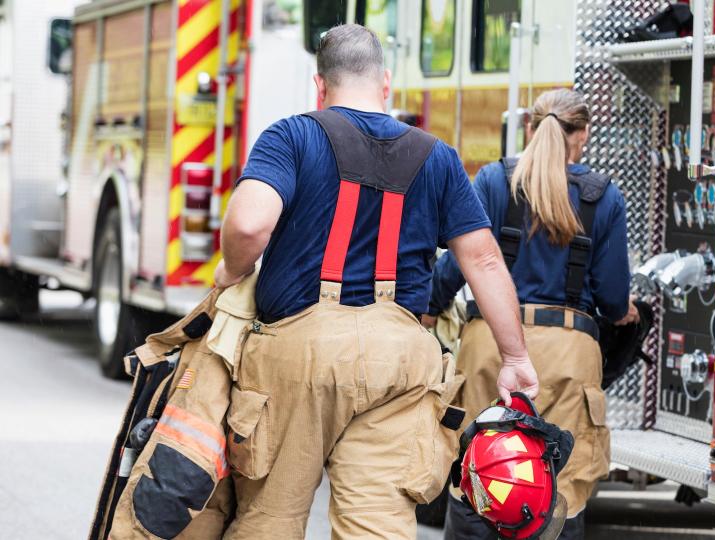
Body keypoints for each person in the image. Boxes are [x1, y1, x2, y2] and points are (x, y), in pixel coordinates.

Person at [212, 24, 538, 539]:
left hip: (299, 355)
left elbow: (251, 224)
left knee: (269, 520)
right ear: (385, 81)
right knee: (378, 525)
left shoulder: (291, 135)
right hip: (400, 362)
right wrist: (515, 358)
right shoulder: (439, 157)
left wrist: (231, 270)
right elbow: (485, 263)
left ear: (319, 86)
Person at [425, 89, 638, 539]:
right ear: (581, 136)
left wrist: (427, 311)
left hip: (492, 346)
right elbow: (613, 296)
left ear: (528, 127)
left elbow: (458, 264)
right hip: (569, 356)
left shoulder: (491, 181)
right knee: (560, 485)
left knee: (479, 470)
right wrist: (626, 313)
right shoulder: (604, 198)